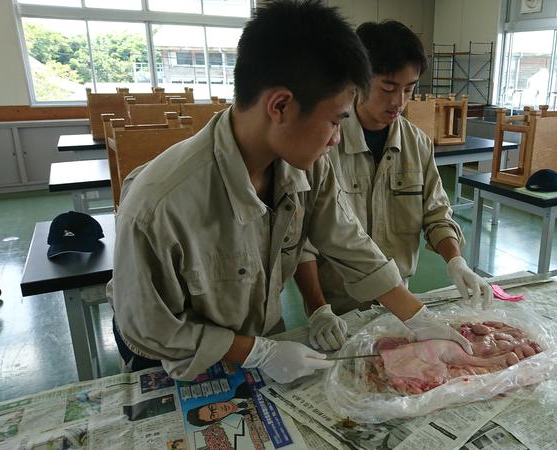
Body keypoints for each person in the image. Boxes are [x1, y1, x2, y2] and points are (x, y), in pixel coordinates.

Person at [108, 0, 471, 383]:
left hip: (254, 342)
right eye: (335, 122)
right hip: (172, 362)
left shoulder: (308, 165)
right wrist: (257, 352)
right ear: (280, 105)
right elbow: (150, 329)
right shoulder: (159, 203)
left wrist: (419, 318)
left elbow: (349, 242)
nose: (337, 139)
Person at [294, 20, 493, 351]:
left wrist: (456, 261)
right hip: (339, 307)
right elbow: (303, 239)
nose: (399, 101)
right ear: (357, 80)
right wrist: (318, 309)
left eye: (409, 89)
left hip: (401, 303)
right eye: (387, 87)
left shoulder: (417, 144)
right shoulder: (325, 143)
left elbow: (436, 214)